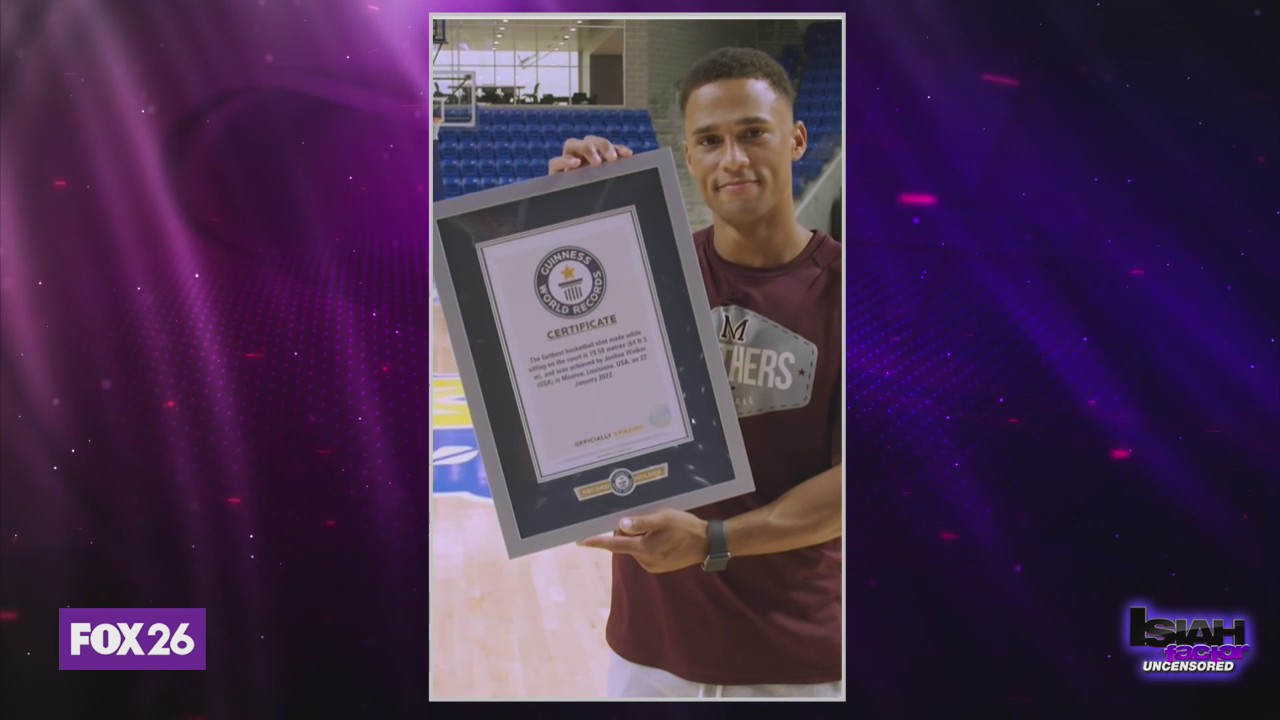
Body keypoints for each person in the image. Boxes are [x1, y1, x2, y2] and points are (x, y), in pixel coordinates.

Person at [549, 47, 843, 699]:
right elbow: (562, 380)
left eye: (753, 133)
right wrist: (564, 225)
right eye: (710, 140)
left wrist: (713, 540)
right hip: (650, 655)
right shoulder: (647, 274)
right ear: (688, 156)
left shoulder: (851, 292)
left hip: (793, 665)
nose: (731, 158)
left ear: (797, 140)